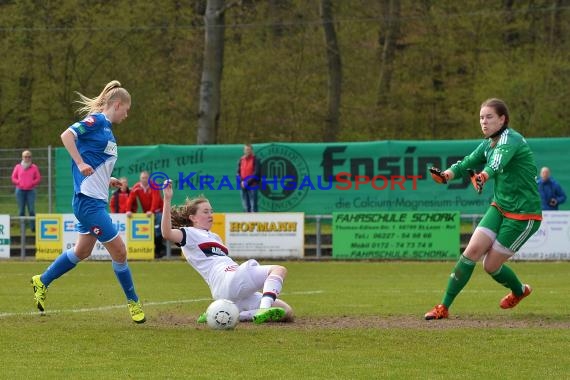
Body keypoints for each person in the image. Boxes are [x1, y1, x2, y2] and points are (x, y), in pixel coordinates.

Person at [31, 80, 146, 323]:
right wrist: (80, 162)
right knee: (120, 251)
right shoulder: (97, 121)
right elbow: (67, 135)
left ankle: (42, 280)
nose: (127, 114)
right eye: (127, 109)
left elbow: (95, 162)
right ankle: (134, 302)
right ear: (117, 104)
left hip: (95, 200)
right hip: (88, 203)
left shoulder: (107, 131)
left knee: (82, 251)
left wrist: (109, 179)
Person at [425, 98, 542, 320]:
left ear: (502, 119)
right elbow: (468, 161)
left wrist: (483, 176)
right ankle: (443, 307)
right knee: (471, 252)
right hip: (500, 207)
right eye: (481, 117)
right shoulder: (489, 143)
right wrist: (447, 174)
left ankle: (520, 291)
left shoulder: (511, 140)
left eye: (489, 117)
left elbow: (496, 163)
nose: (484, 122)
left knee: (490, 265)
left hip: (524, 215)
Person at [161, 180, 294, 324]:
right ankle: (263, 309)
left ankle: (226, 314)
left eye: (211, 211)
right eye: (205, 212)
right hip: (227, 280)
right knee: (278, 269)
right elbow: (167, 233)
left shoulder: (215, 237)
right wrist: (167, 199)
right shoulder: (189, 233)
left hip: (227, 290)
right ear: (193, 218)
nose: (210, 215)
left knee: (286, 311)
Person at [126, 171, 165, 258]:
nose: (144, 179)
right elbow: (130, 198)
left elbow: (156, 200)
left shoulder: (154, 186)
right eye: (142, 178)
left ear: (149, 178)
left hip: (158, 211)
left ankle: (160, 250)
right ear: (140, 179)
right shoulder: (137, 187)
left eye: (146, 177)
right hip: (147, 213)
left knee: (157, 230)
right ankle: (157, 250)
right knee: (149, 231)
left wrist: (151, 211)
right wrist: (128, 210)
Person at [11, 150, 42, 232]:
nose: (27, 158)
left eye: (29, 156)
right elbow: (13, 177)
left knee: (31, 210)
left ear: (31, 157)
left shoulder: (34, 167)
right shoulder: (18, 167)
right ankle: (22, 228)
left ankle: (33, 228)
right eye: (25, 156)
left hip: (31, 191)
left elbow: (38, 178)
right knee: (21, 210)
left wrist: (32, 183)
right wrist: (19, 182)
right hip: (20, 191)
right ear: (22, 157)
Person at [237, 144, 261, 212]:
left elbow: (256, 173)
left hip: (253, 185)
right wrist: (242, 182)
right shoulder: (241, 159)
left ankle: (255, 221)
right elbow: (238, 172)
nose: (247, 151)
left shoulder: (256, 159)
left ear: (251, 150)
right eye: (246, 150)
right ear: (244, 151)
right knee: (245, 206)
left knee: (253, 206)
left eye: (249, 150)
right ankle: (246, 221)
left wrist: (247, 182)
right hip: (243, 186)